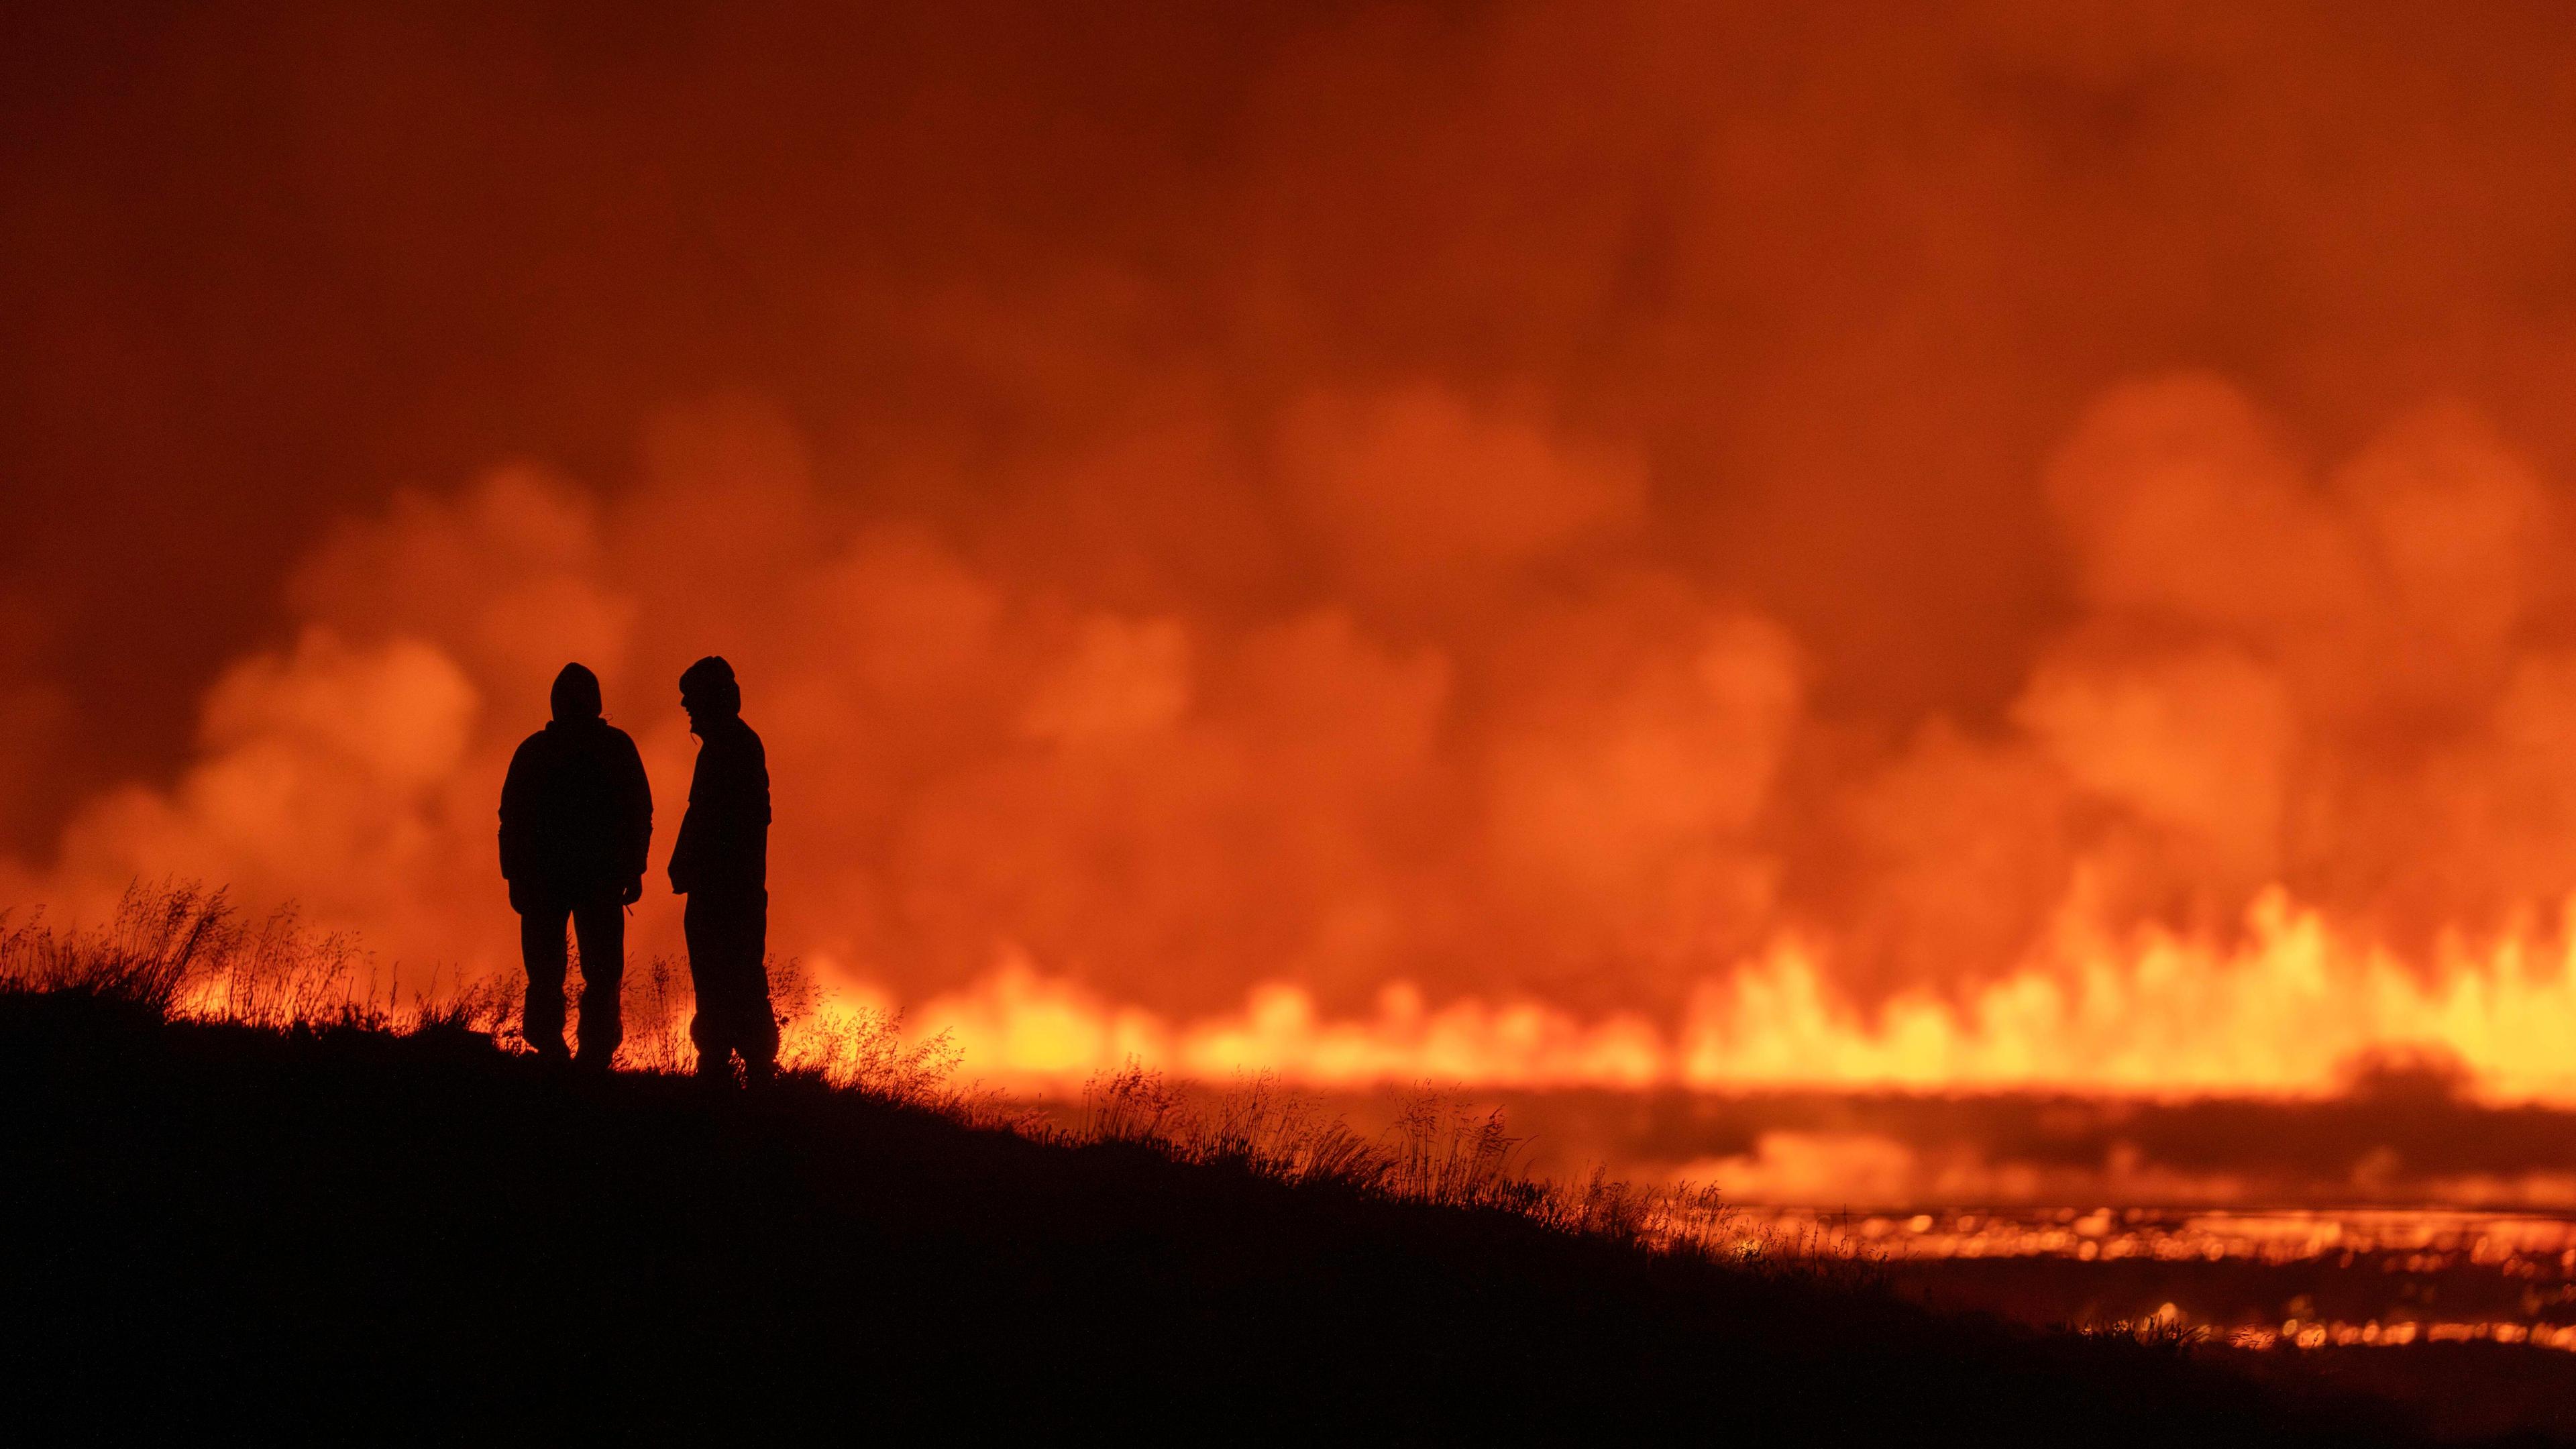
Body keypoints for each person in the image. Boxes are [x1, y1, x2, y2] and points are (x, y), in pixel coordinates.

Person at [498, 663, 651, 1068]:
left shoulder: (535, 750)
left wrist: (514, 875)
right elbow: (639, 812)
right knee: (595, 970)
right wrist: (634, 867)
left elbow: (511, 818)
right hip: (592, 878)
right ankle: (588, 1052)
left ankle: (560, 1048)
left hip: (551, 880)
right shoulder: (615, 748)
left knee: (557, 969)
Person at [668, 655, 775, 1083]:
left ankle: (738, 1065)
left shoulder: (731, 748)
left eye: (691, 697)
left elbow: (717, 821)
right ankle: (737, 1064)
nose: (685, 706)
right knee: (724, 975)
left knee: (734, 974)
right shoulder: (731, 745)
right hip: (727, 889)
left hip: (726, 891)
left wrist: (695, 864)